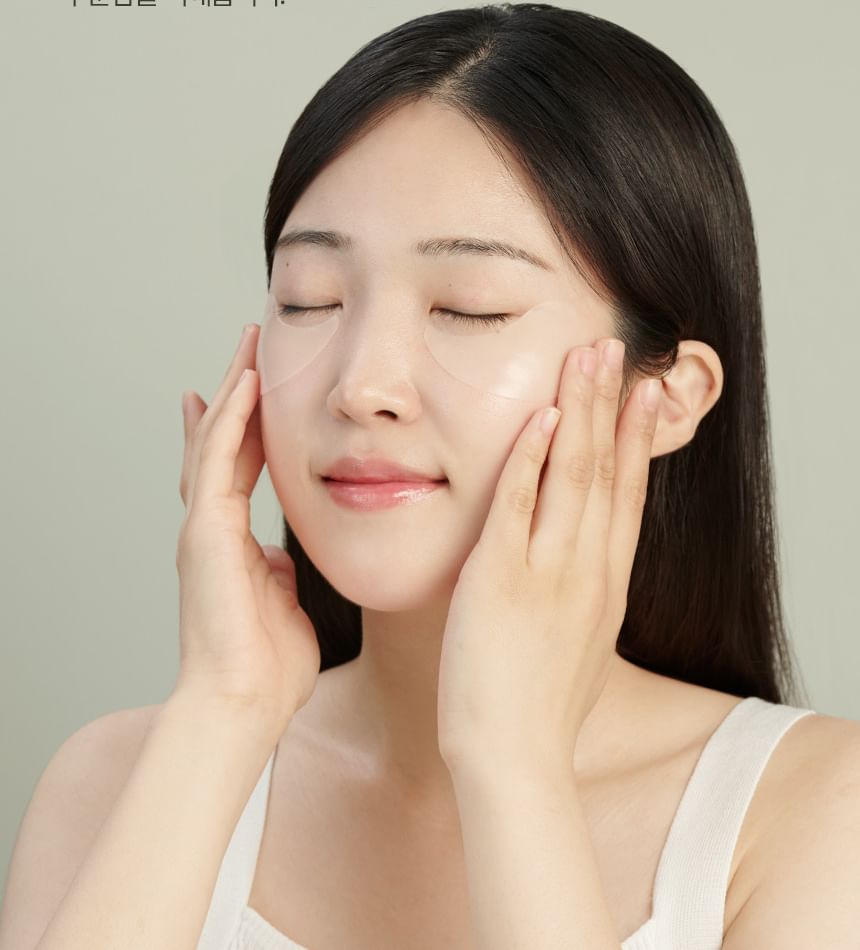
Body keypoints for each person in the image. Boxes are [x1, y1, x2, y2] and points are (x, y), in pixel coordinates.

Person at [2, 5, 859, 950]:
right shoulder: (115, 784)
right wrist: (222, 712)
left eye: (470, 308)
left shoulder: (812, 813)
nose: (361, 386)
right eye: (309, 300)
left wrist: (512, 761)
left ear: (667, 398)